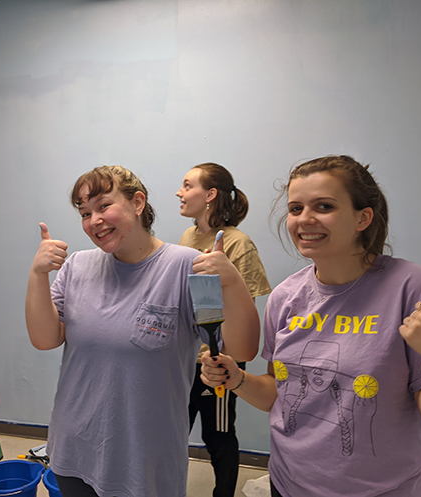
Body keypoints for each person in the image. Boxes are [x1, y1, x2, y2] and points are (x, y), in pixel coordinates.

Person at [201, 155, 421, 496]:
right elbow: (280, 393)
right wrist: (238, 379)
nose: (305, 220)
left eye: (323, 206)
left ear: (362, 218)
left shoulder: (411, 287)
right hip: (290, 483)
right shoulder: (286, 296)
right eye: (295, 209)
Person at [25, 165, 259, 497]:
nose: (94, 220)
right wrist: (38, 274)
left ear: (137, 202)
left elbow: (242, 349)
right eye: (85, 212)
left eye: (104, 205)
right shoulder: (77, 266)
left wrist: (232, 281)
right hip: (74, 446)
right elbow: (44, 338)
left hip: (145, 458)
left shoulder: (186, 266)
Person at [175, 163, 271, 497]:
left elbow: (244, 316)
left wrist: (218, 358)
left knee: (218, 435)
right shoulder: (188, 237)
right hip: (186, 358)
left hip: (219, 361)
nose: (180, 192)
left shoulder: (238, 244)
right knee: (175, 429)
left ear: (210, 195)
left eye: (188, 185)